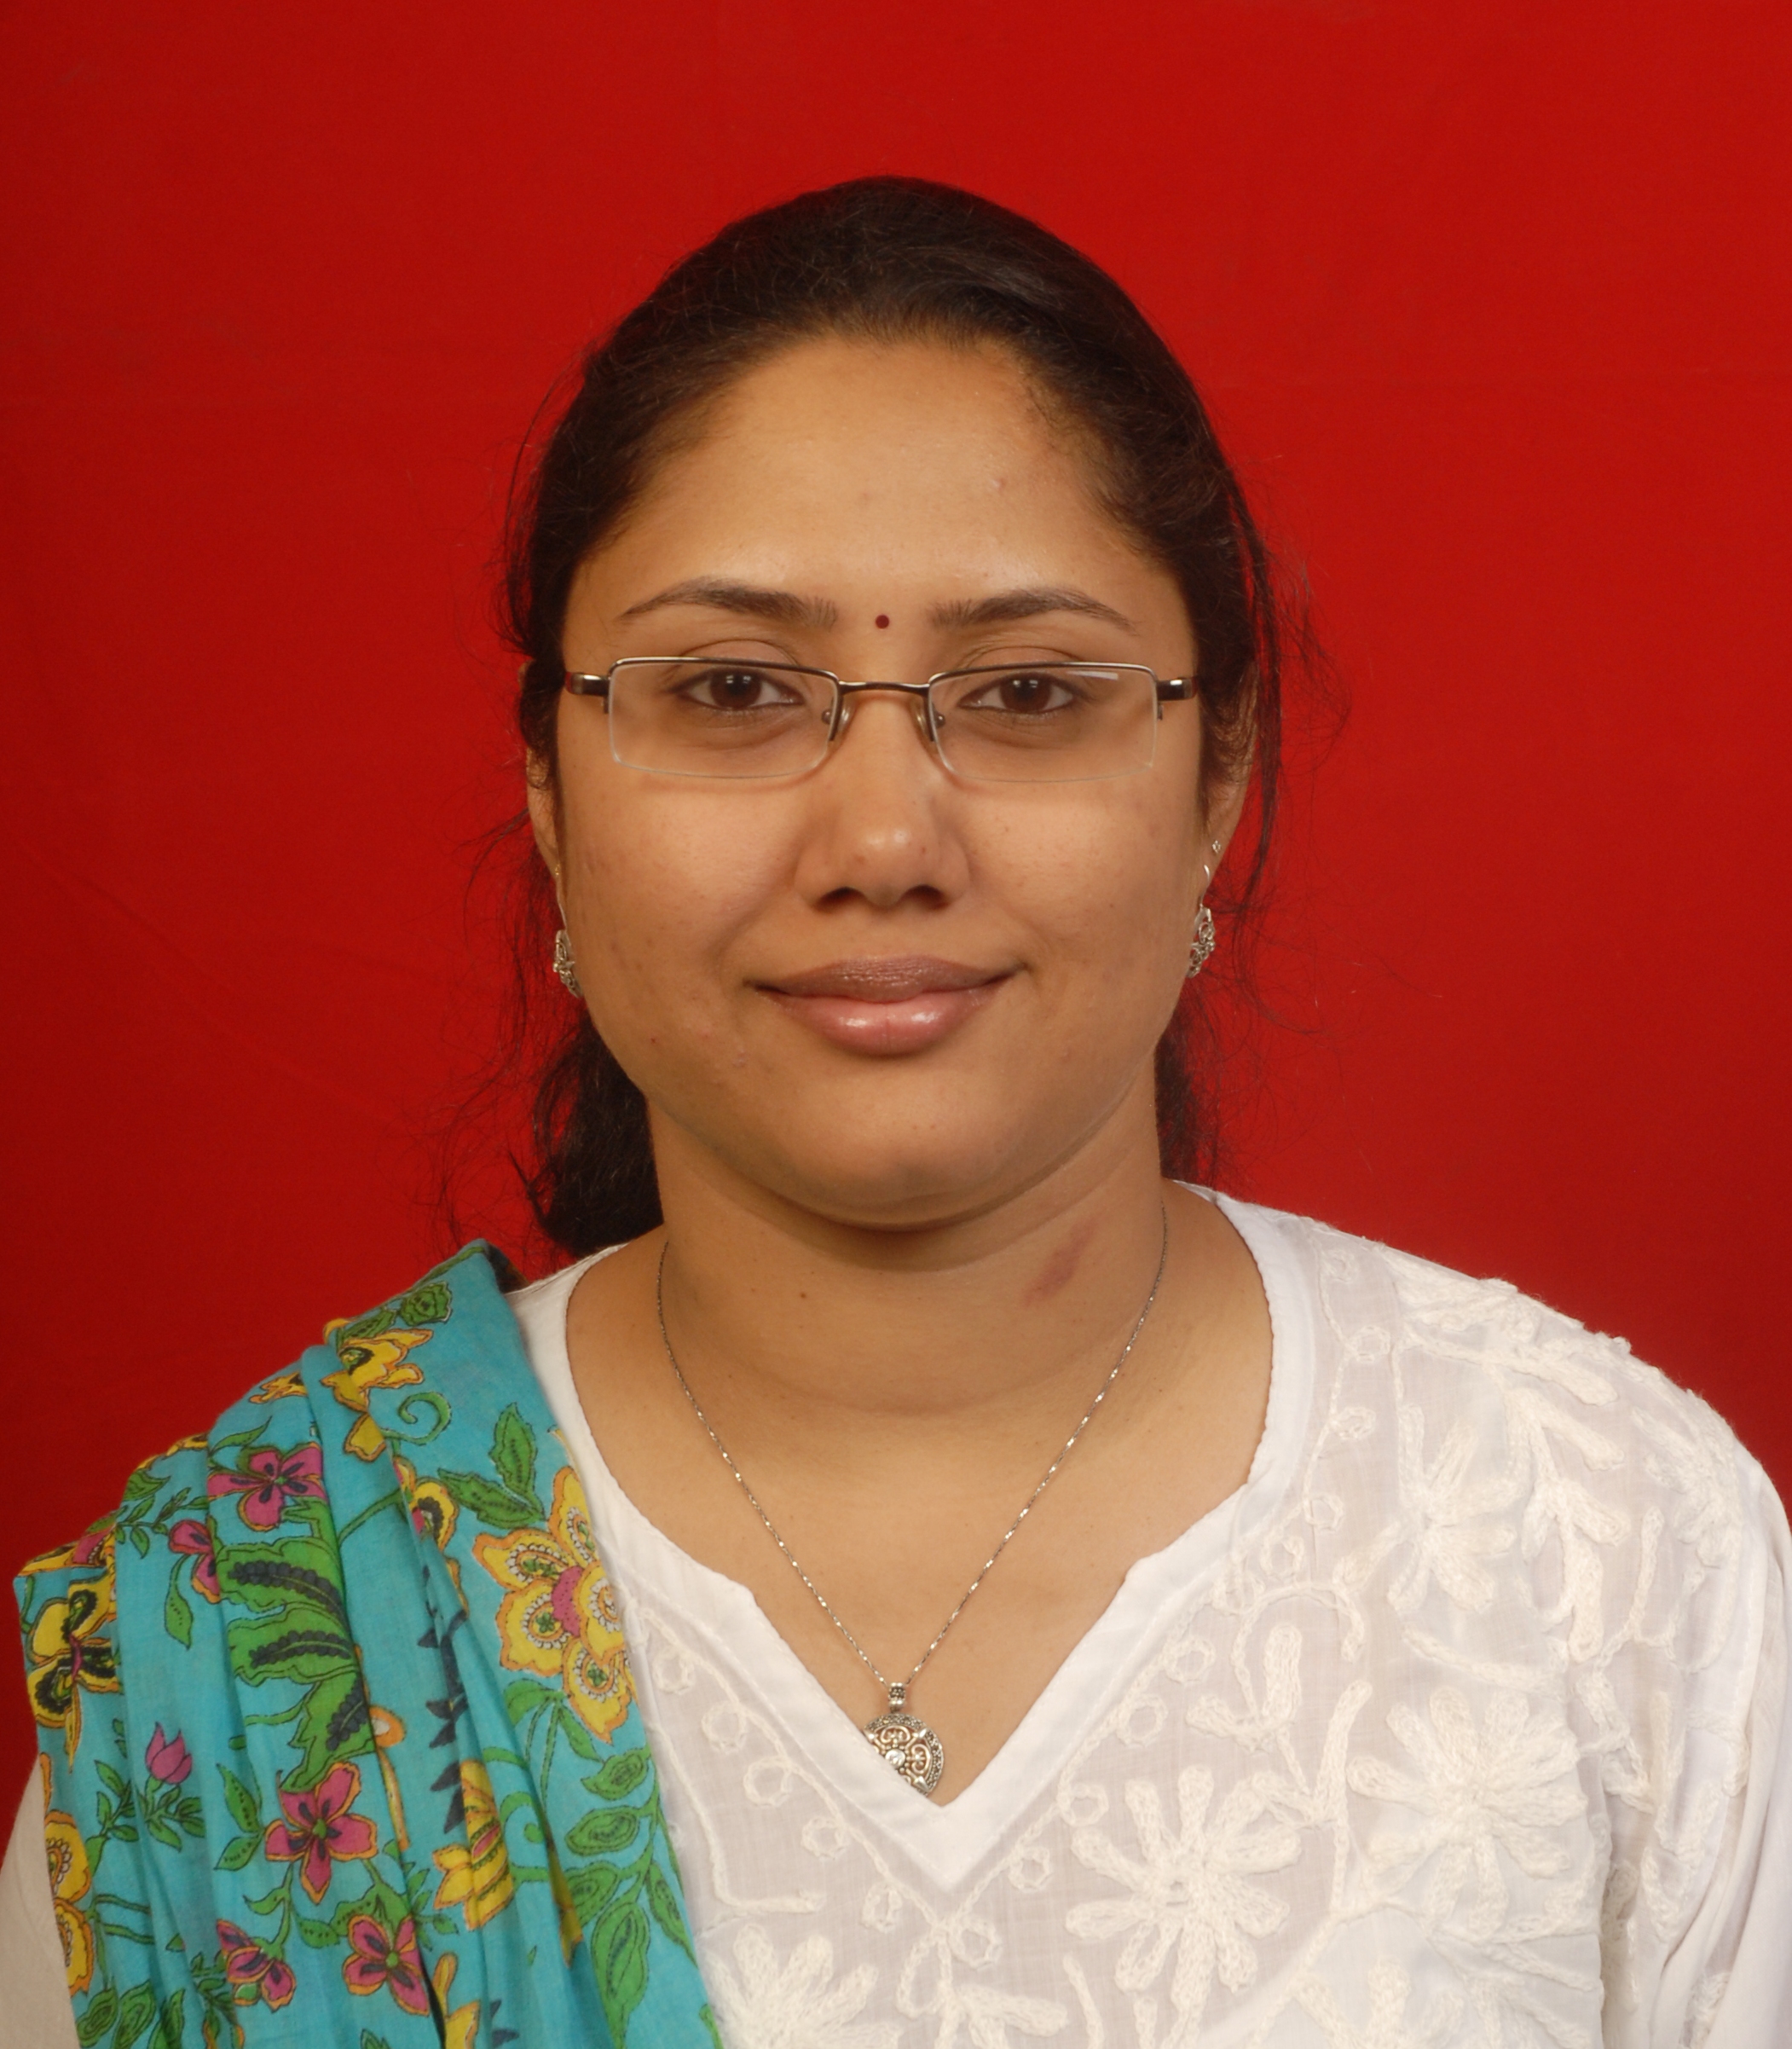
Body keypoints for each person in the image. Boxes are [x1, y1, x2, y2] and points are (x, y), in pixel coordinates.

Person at [6, 177, 1788, 2048]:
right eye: (730, 688)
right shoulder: (247, 1648)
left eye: (1026, 690)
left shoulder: (1594, 1549)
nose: (880, 838)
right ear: (549, 794)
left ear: (1216, 781)